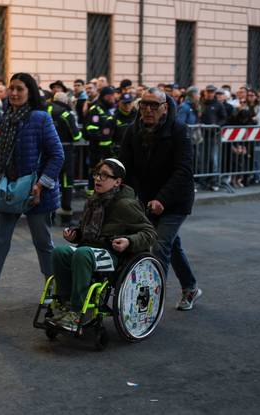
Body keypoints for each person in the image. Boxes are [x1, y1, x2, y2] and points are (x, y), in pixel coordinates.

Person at [0, 72, 64, 314]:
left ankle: (53, 291)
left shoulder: (40, 118)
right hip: (9, 190)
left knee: (42, 243)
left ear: (30, 92)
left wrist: (41, 185)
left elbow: (57, 154)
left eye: (20, 89)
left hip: (37, 192)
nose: (14, 93)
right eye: (12, 88)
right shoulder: (7, 117)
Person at [47, 159, 157, 331]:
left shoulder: (125, 204)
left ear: (117, 182)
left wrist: (129, 241)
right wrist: (75, 234)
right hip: (88, 248)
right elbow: (88, 232)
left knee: (82, 254)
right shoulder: (93, 200)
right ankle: (64, 304)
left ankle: (80, 312)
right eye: (97, 174)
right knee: (59, 252)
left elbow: (150, 233)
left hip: (112, 255)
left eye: (105, 176)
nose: (98, 179)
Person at [119, 88, 202, 311]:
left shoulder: (178, 130)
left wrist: (162, 199)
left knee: (159, 245)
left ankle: (151, 306)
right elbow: (126, 168)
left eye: (154, 105)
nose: (147, 109)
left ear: (165, 107)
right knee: (172, 245)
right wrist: (127, 194)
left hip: (175, 199)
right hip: (147, 198)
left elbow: (183, 170)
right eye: (144, 104)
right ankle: (190, 287)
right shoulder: (131, 131)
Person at [48, 92, 81, 223]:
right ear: (65, 101)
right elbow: (76, 136)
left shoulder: (46, 110)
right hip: (65, 152)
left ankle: (49, 215)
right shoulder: (66, 114)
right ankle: (66, 216)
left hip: (48, 151)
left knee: (49, 181)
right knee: (66, 183)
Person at [83, 86, 117, 195]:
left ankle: (105, 192)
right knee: (95, 171)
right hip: (96, 149)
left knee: (107, 172)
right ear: (106, 96)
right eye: (111, 96)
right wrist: (102, 137)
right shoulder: (95, 110)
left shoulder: (110, 109)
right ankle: (92, 194)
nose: (113, 98)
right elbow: (91, 129)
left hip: (108, 149)